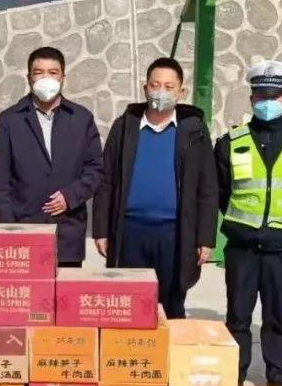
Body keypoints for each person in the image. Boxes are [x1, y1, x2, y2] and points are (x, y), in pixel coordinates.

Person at [214, 61, 282, 386]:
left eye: (275, 96)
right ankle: (235, 375)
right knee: (238, 316)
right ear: (251, 98)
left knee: (279, 318)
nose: (268, 102)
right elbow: (222, 191)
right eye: (261, 95)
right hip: (242, 247)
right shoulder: (231, 142)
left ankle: (278, 379)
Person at [92, 57, 218, 318]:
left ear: (181, 92)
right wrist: (101, 230)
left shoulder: (193, 130)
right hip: (131, 232)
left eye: (169, 87)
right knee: (129, 305)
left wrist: (205, 237)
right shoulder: (125, 126)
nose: (161, 92)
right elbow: (106, 181)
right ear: (145, 88)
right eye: (155, 85)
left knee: (172, 305)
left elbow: (207, 187)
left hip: (175, 234)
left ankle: (171, 343)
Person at [0, 46, 103, 268]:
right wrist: (7, 232)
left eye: (53, 72)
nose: (46, 78)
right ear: (29, 78)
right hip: (24, 231)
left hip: (68, 231)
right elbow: (0, 184)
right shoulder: (10, 120)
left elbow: (95, 168)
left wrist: (71, 196)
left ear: (62, 77)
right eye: (38, 72)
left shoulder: (81, 119)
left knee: (65, 290)